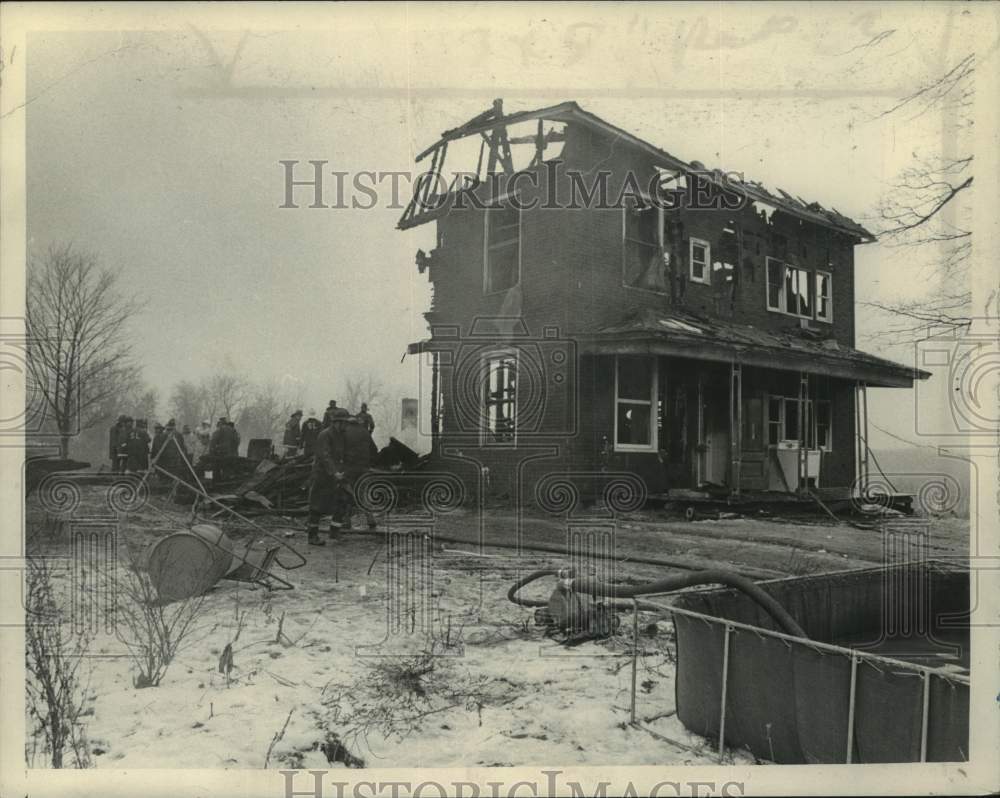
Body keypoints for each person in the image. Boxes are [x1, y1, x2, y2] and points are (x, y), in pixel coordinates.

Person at [332, 413, 378, 533]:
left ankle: (347, 520)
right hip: (363, 468)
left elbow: (339, 450)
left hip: (349, 469)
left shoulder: (344, 432)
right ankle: (370, 519)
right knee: (362, 493)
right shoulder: (365, 432)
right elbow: (374, 449)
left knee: (347, 493)